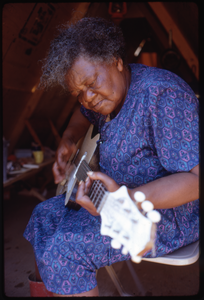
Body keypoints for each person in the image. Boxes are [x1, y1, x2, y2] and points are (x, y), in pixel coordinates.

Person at [23, 17, 199, 297]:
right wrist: (69, 139)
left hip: (166, 217)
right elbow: (82, 115)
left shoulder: (163, 96)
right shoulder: (110, 95)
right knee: (42, 216)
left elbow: (196, 181)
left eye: (92, 84)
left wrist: (125, 199)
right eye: (78, 93)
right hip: (117, 201)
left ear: (116, 60)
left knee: (65, 249)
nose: (88, 98)